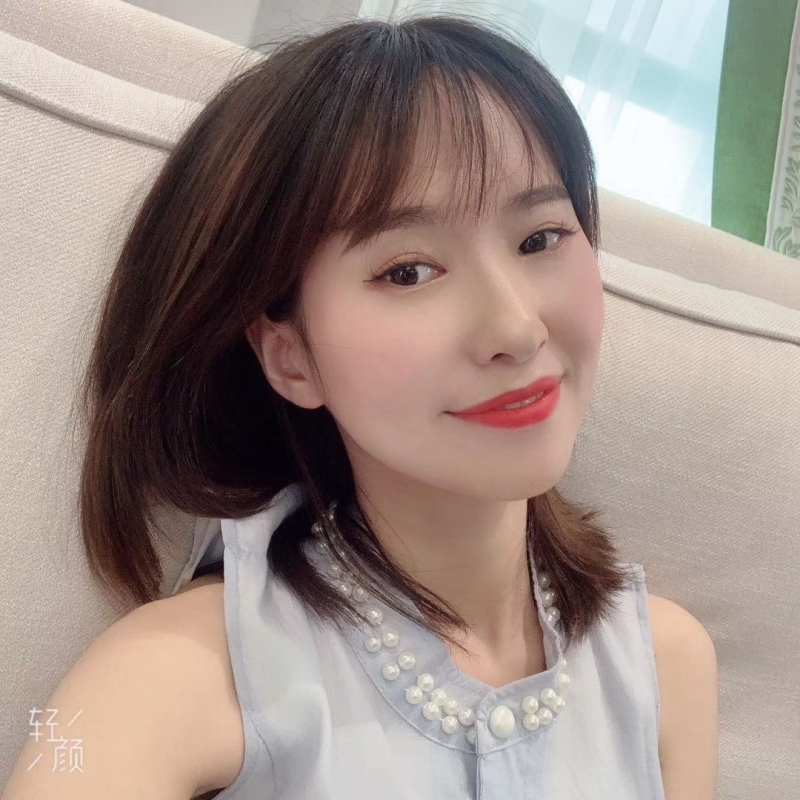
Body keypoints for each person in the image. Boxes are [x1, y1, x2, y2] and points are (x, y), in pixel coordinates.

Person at [3, 13, 718, 800]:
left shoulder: (666, 666)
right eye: (408, 271)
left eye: (540, 237)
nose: (517, 329)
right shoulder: (168, 680)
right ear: (291, 357)